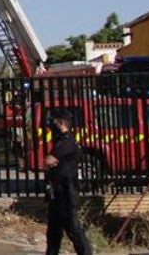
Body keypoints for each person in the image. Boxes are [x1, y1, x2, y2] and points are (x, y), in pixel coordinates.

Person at [44, 109, 93, 255]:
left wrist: (50, 161)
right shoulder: (61, 142)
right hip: (57, 193)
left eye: (53, 121)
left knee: (73, 229)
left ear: (60, 122)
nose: (51, 124)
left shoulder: (68, 144)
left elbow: (48, 161)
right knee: (53, 232)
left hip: (66, 192)